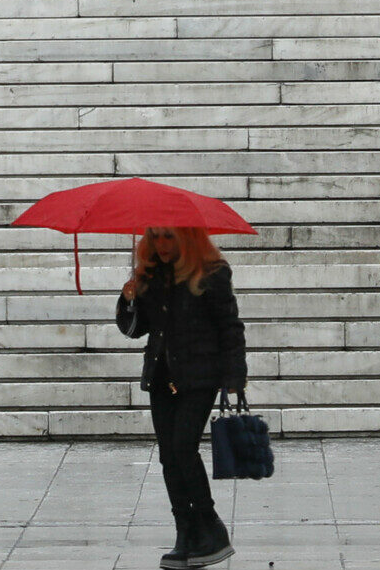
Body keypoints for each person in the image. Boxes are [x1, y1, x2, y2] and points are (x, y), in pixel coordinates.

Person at [117, 226, 247, 568]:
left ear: (186, 238)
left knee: (182, 448)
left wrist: (235, 376)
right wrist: (128, 299)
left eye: (169, 236)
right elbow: (136, 329)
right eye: (155, 236)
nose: (161, 244)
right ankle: (185, 531)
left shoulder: (212, 273)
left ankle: (211, 526)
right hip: (162, 377)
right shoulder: (150, 274)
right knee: (168, 457)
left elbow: (230, 326)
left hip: (199, 376)